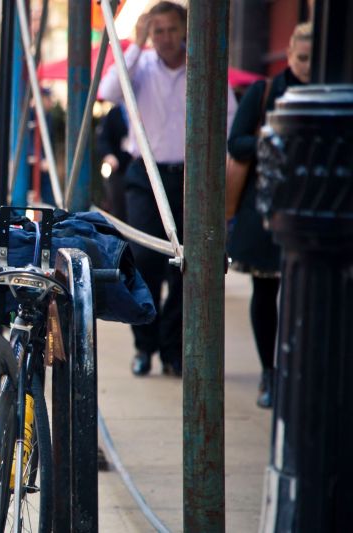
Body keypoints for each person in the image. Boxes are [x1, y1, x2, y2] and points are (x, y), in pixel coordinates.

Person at [98, 1, 237, 377]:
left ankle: (174, 349)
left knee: (188, 268)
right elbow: (109, 91)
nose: (165, 37)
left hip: (193, 179)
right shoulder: (139, 66)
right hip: (146, 175)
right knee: (144, 260)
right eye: (157, 30)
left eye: (171, 29)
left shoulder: (202, 67)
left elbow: (229, 119)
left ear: (185, 31)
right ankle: (144, 345)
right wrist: (136, 42)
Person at [227, 22, 312, 408]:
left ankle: (302, 371)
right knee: (267, 292)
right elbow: (236, 143)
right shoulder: (264, 91)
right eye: (303, 57)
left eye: (315, 57)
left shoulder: (332, 93)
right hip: (267, 208)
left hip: (313, 207)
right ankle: (270, 373)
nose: (309, 65)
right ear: (290, 54)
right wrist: (271, 136)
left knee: (310, 296)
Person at [95, 103, 131, 222]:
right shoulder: (114, 113)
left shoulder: (147, 109)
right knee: (118, 207)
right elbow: (102, 139)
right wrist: (109, 156)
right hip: (119, 169)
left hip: (141, 169)